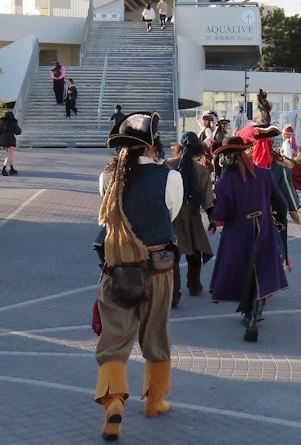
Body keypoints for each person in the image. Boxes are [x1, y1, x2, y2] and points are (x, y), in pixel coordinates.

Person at [93, 111, 183, 441]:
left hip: (117, 270)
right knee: (156, 334)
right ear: (152, 147)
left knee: (114, 341)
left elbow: (106, 220)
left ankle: (114, 401)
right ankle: (154, 401)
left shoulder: (108, 178)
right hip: (157, 269)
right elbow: (170, 214)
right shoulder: (169, 178)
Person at [208, 136, 288, 342]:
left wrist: (211, 211)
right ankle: (255, 313)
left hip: (238, 232)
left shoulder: (224, 182)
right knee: (261, 269)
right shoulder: (264, 174)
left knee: (244, 271)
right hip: (263, 228)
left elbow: (223, 214)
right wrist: (278, 220)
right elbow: (281, 204)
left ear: (225, 158)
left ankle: (251, 314)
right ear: (245, 153)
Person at [165, 132, 214, 307]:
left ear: (178, 148)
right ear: (197, 150)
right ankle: (194, 285)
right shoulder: (202, 171)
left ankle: (174, 293)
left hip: (172, 216)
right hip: (193, 217)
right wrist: (212, 219)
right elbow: (208, 199)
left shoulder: (167, 165)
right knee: (194, 253)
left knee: (173, 255)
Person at [0, 110, 22, 176]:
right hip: (10, 141)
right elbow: (18, 132)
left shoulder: (1, 122)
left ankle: (12, 168)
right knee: (9, 155)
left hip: (2, 140)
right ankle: (4, 168)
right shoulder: (13, 122)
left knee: (10, 155)